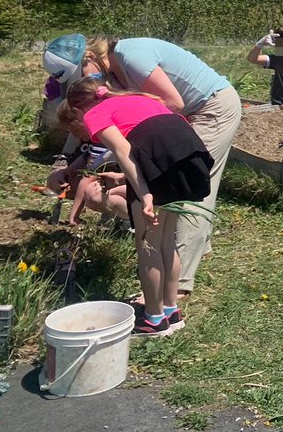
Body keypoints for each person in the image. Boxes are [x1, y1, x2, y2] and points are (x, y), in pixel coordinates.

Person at [43, 33, 241, 298]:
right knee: (172, 187)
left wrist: (133, 153)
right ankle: (194, 249)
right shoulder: (111, 73)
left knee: (185, 187)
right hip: (182, 118)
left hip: (211, 108)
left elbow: (171, 104)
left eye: (81, 73)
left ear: (89, 57)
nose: (84, 81)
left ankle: (178, 284)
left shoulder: (131, 57)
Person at [56, 78, 213, 336]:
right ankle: (171, 311)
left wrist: (145, 193)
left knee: (148, 243)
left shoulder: (95, 113)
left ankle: (153, 319)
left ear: (77, 109)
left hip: (159, 161)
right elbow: (157, 134)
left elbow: (123, 151)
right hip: (189, 155)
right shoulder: (141, 98)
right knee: (167, 241)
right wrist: (123, 179)